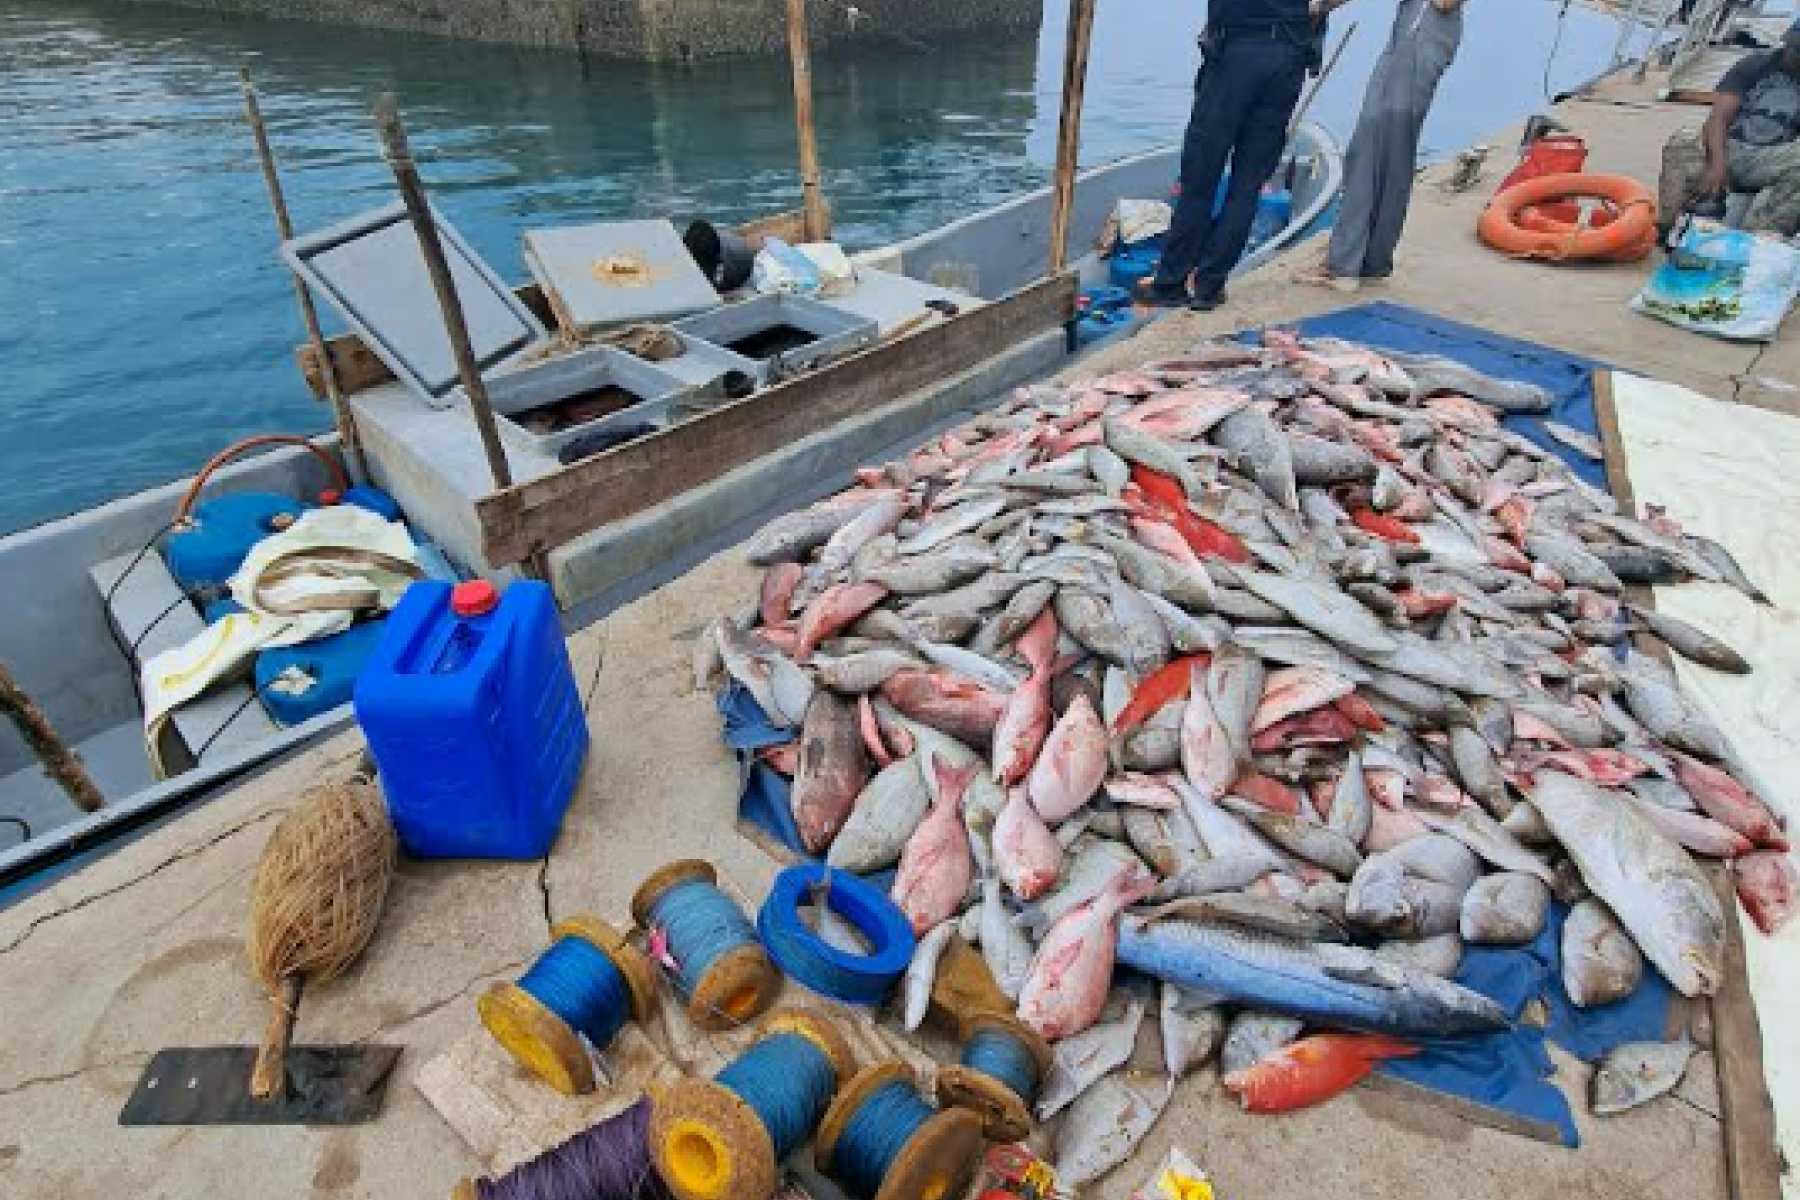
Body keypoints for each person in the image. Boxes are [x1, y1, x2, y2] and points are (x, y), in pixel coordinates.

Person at [1137, 0, 1352, 311]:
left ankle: (1171, 283)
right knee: (1247, 184)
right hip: (1286, 58)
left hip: (1236, 52)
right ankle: (1208, 288)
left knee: (1201, 175)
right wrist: (1313, 7)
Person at [1298, 0, 1466, 292]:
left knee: (1373, 154)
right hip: (1407, 41)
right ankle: (1372, 261)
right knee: (1383, 155)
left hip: (1423, 45)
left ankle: (1344, 265)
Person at [1694, 19, 1800, 235]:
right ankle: (1670, 225)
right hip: (1729, 146)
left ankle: (1766, 237)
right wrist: (1717, 165)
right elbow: (1718, 119)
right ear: (1787, 42)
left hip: (1770, 157)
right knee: (1682, 141)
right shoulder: (1753, 64)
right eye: (1797, 49)